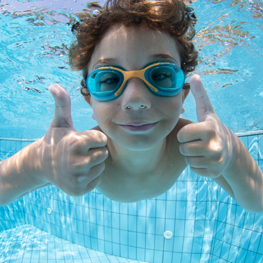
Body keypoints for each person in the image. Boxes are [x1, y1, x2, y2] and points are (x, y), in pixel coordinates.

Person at [0, 0, 262, 213]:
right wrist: (39, 163)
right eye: (110, 79)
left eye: (160, 75)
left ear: (183, 94)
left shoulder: (194, 143)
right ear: (90, 100)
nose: (135, 99)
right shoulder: (81, 154)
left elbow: (257, 202)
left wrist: (232, 151)